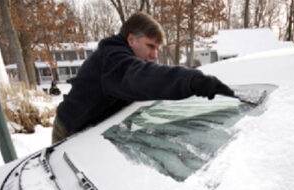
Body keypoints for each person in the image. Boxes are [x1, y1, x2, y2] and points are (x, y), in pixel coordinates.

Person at [52, 12, 234, 143]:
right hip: (70, 131)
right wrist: (192, 81)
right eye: (150, 46)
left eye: (157, 49)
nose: (154, 55)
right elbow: (143, 77)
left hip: (92, 129)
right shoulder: (113, 60)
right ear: (131, 39)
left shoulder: (118, 57)